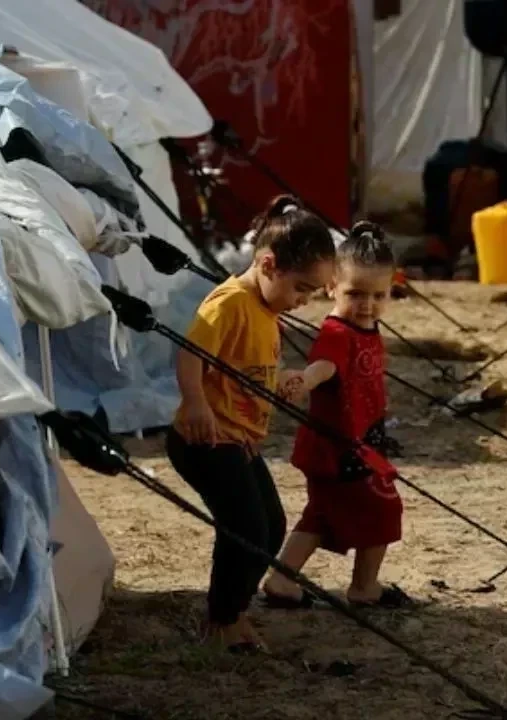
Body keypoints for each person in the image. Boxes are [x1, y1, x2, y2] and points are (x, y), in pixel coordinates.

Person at [165, 195, 336, 653]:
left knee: (272, 526)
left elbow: (243, 367)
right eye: (301, 288)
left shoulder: (266, 311)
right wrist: (196, 402)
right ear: (267, 263)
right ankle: (220, 620)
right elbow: (189, 353)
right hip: (203, 438)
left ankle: (234, 610)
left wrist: (279, 383)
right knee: (244, 528)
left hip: (238, 440)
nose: (303, 301)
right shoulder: (230, 302)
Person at [261, 221, 415, 610]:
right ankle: (365, 588)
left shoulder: (365, 325)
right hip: (341, 448)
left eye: (378, 295)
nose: (367, 304)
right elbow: (326, 365)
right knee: (382, 510)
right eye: (355, 294)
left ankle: (281, 579)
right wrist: (305, 380)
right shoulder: (336, 332)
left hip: (357, 441)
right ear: (330, 286)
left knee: (320, 515)